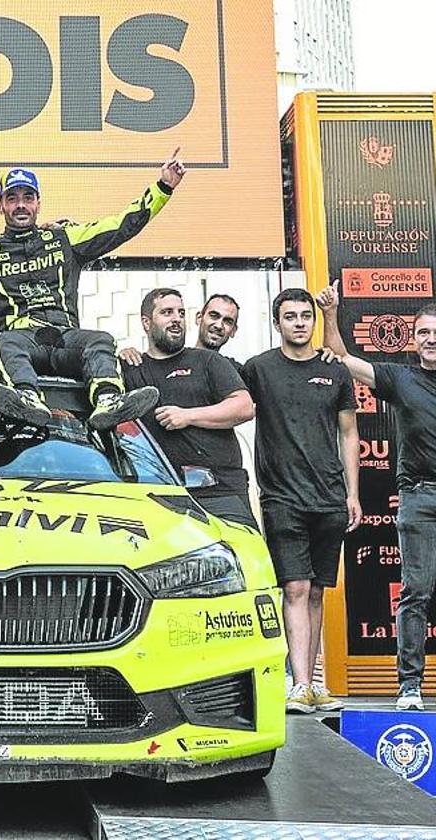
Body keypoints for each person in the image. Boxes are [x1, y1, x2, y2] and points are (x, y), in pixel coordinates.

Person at [0, 156, 184, 428]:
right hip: (24, 341)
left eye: (28, 197)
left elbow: (120, 226)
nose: (21, 204)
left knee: (100, 339)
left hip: (67, 340)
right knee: (5, 342)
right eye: (12, 198)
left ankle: (108, 401)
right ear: (0, 206)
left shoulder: (65, 238)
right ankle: (27, 398)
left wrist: (163, 188)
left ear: (38, 203)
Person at [318, 285, 436, 711]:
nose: (431, 339)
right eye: (423, 332)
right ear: (414, 338)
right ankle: (409, 687)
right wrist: (331, 315)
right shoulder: (400, 377)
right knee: (416, 592)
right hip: (419, 498)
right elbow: (343, 362)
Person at [243, 288, 360, 715]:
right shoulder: (258, 369)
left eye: (305, 316)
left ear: (313, 320)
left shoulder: (334, 370)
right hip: (281, 497)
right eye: (290, 316)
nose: (298, 322)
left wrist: (353, 493)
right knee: (294, 586)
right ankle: (299, 683)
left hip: (330, 497)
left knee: (315, 592)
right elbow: (221, 387)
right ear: (277, 322)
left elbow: (349, 433)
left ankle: (311, 684)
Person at [122, 288, 256, 527]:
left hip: (221, 491)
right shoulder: (131, 368)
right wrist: (117, 353)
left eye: (181, 313)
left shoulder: (208, 361)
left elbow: (244, 406)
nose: (176, 319)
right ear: (146, 322)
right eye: (167, 312)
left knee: (247, 560)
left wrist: (187, 416)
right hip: (160, 496)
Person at [121, 292, 245, 377]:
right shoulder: (174, 359)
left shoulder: (238, 371)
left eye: (228, 321)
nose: (218, 325)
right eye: (214, 316)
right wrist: (127, 354)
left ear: (234, 330)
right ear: (199, 318)